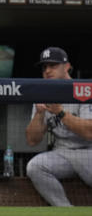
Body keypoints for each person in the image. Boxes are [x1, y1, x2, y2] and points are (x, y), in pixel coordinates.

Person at [25, 47, 92, 207]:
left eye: (53, 66)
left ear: (67, 67)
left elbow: (90, 132)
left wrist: (60, 112)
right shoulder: (43, 94)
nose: (47, 71)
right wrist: (39, 114)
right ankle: (65, 210)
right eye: (44, 67)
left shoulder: (83, 89)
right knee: (35, 166)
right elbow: (32, 140)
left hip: (89, 152)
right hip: (62, 154)